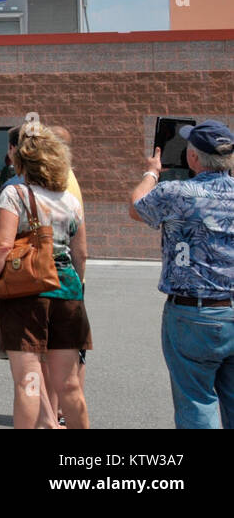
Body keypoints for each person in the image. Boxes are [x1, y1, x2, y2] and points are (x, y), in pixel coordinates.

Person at [0, 119, 90, 429]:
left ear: (20, 160)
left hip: (26, 296)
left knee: (28, 383)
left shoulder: (15, 194)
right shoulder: (70, 200)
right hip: (68, 293)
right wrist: (75, 287)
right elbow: (80, 253)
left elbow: (2, 245)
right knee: (68, 384)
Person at [130, 120, 234, 429]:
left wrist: (151, 171)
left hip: (192, 313)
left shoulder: (176, 192)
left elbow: (137, 206)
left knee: (196, 403)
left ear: (193, 157)